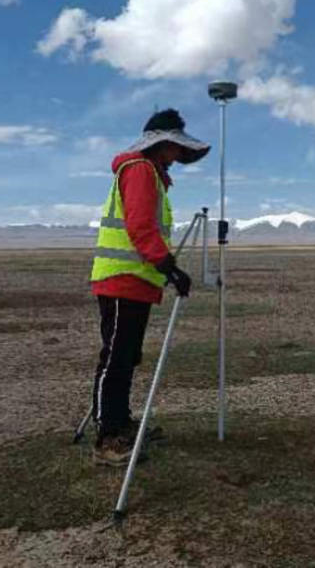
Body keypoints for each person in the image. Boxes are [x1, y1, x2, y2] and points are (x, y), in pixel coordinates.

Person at [89, 108, 210, 466]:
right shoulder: (140, 170)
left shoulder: (152, 175)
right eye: (174, 148)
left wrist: (164, 270)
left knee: (126, 357)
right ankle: (107, 438)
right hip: (122, 280)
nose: (176, 157)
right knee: (115, 358)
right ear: (163, 143)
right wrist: (170, 268)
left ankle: (121, 424)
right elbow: (140, 227)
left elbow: (146, 229)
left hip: (136, 282)